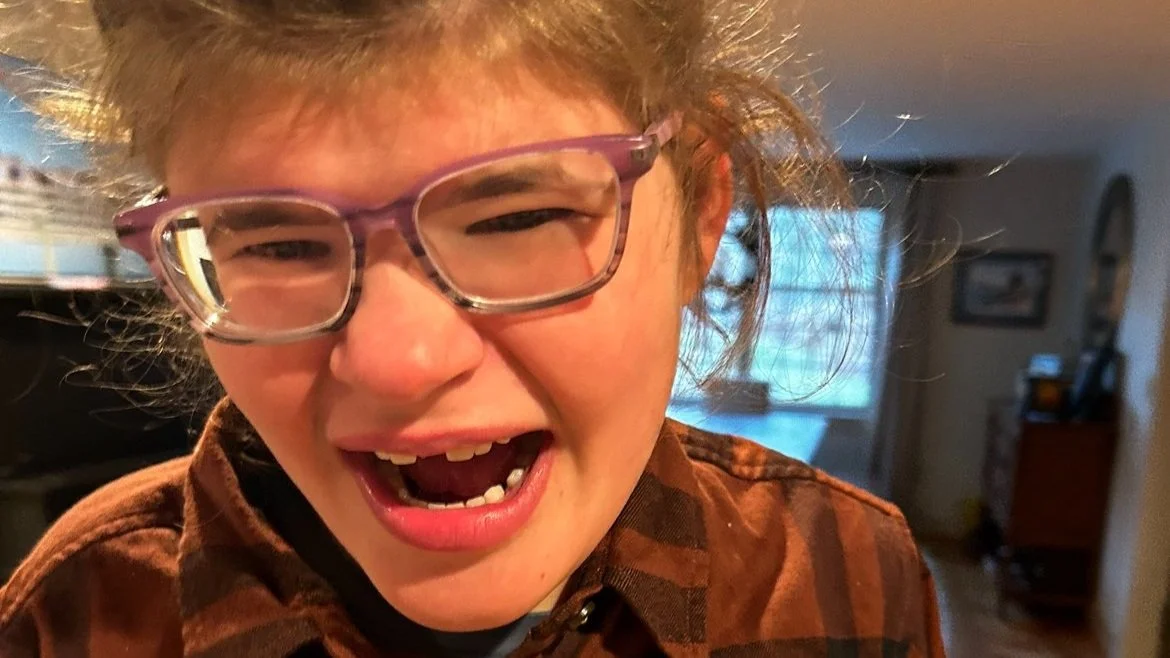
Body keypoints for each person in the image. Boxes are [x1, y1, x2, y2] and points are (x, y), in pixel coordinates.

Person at [0, 0, 946, 656]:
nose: (397, 362)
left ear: (700, 217)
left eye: (517, 219)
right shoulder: (80, 615)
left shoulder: (842, 574)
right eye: (278, 246)